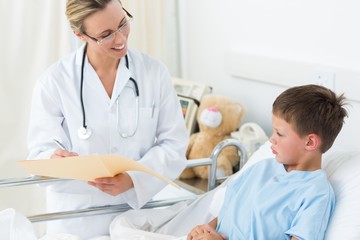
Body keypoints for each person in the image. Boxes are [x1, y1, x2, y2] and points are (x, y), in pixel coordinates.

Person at [26, 0, 188, 238]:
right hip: (77, 221)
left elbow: (174, 145)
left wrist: (134, 179)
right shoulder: (54, 82)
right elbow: (39, 157)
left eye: (123, 24)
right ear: (80, 35)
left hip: (136, 217)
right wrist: (54, 160)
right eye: (106, 35)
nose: (121, 39)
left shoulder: (154, 73)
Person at [187, 84, 348, 240]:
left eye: (279, 133)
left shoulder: (315, 194)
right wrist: (206, 230)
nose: (271, 138)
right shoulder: (260, 169)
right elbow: (228, 215)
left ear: (310, 142)